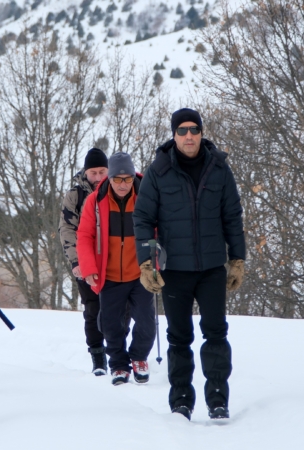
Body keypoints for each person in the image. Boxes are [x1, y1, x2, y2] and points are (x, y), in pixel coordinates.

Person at [133, 108, 245, 421]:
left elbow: (232, 216)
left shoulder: (219, 168)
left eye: (194, 129)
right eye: (182, 130)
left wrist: (237, 259)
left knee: (216, 333)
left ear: (201, 132)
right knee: (179, 337)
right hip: (174, 271)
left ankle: (218, 400)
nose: (188, 136)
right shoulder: (158, 171)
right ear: (174, 135)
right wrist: (147, 263)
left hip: (211, 268)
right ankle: (181, 401)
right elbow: (143, 218)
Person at [77, 153, 156, 386]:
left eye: (127, 179)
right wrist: (89, 268)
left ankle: (139, 358)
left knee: (146, 323)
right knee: (111, 325)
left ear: (133, 177)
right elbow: (85, 236)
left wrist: (157, 264)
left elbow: (159, 231)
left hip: (141, 273)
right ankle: (119, 365)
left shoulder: (147, 197)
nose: (123, 184)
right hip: (109, 275)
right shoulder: (95, 201)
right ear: (109, 178)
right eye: (118, 179)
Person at [59, 148, 110, 375]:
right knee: (93, 309)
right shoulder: (75, 195)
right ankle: (98, 356)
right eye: (93, 172)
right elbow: (67, 229)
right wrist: (76, 262)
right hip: (86, 260)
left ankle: (118, 352)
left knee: (121, 308)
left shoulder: (117, 189)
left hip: (113, 260)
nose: (98, 177)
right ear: (85, 172)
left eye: (102, 172)